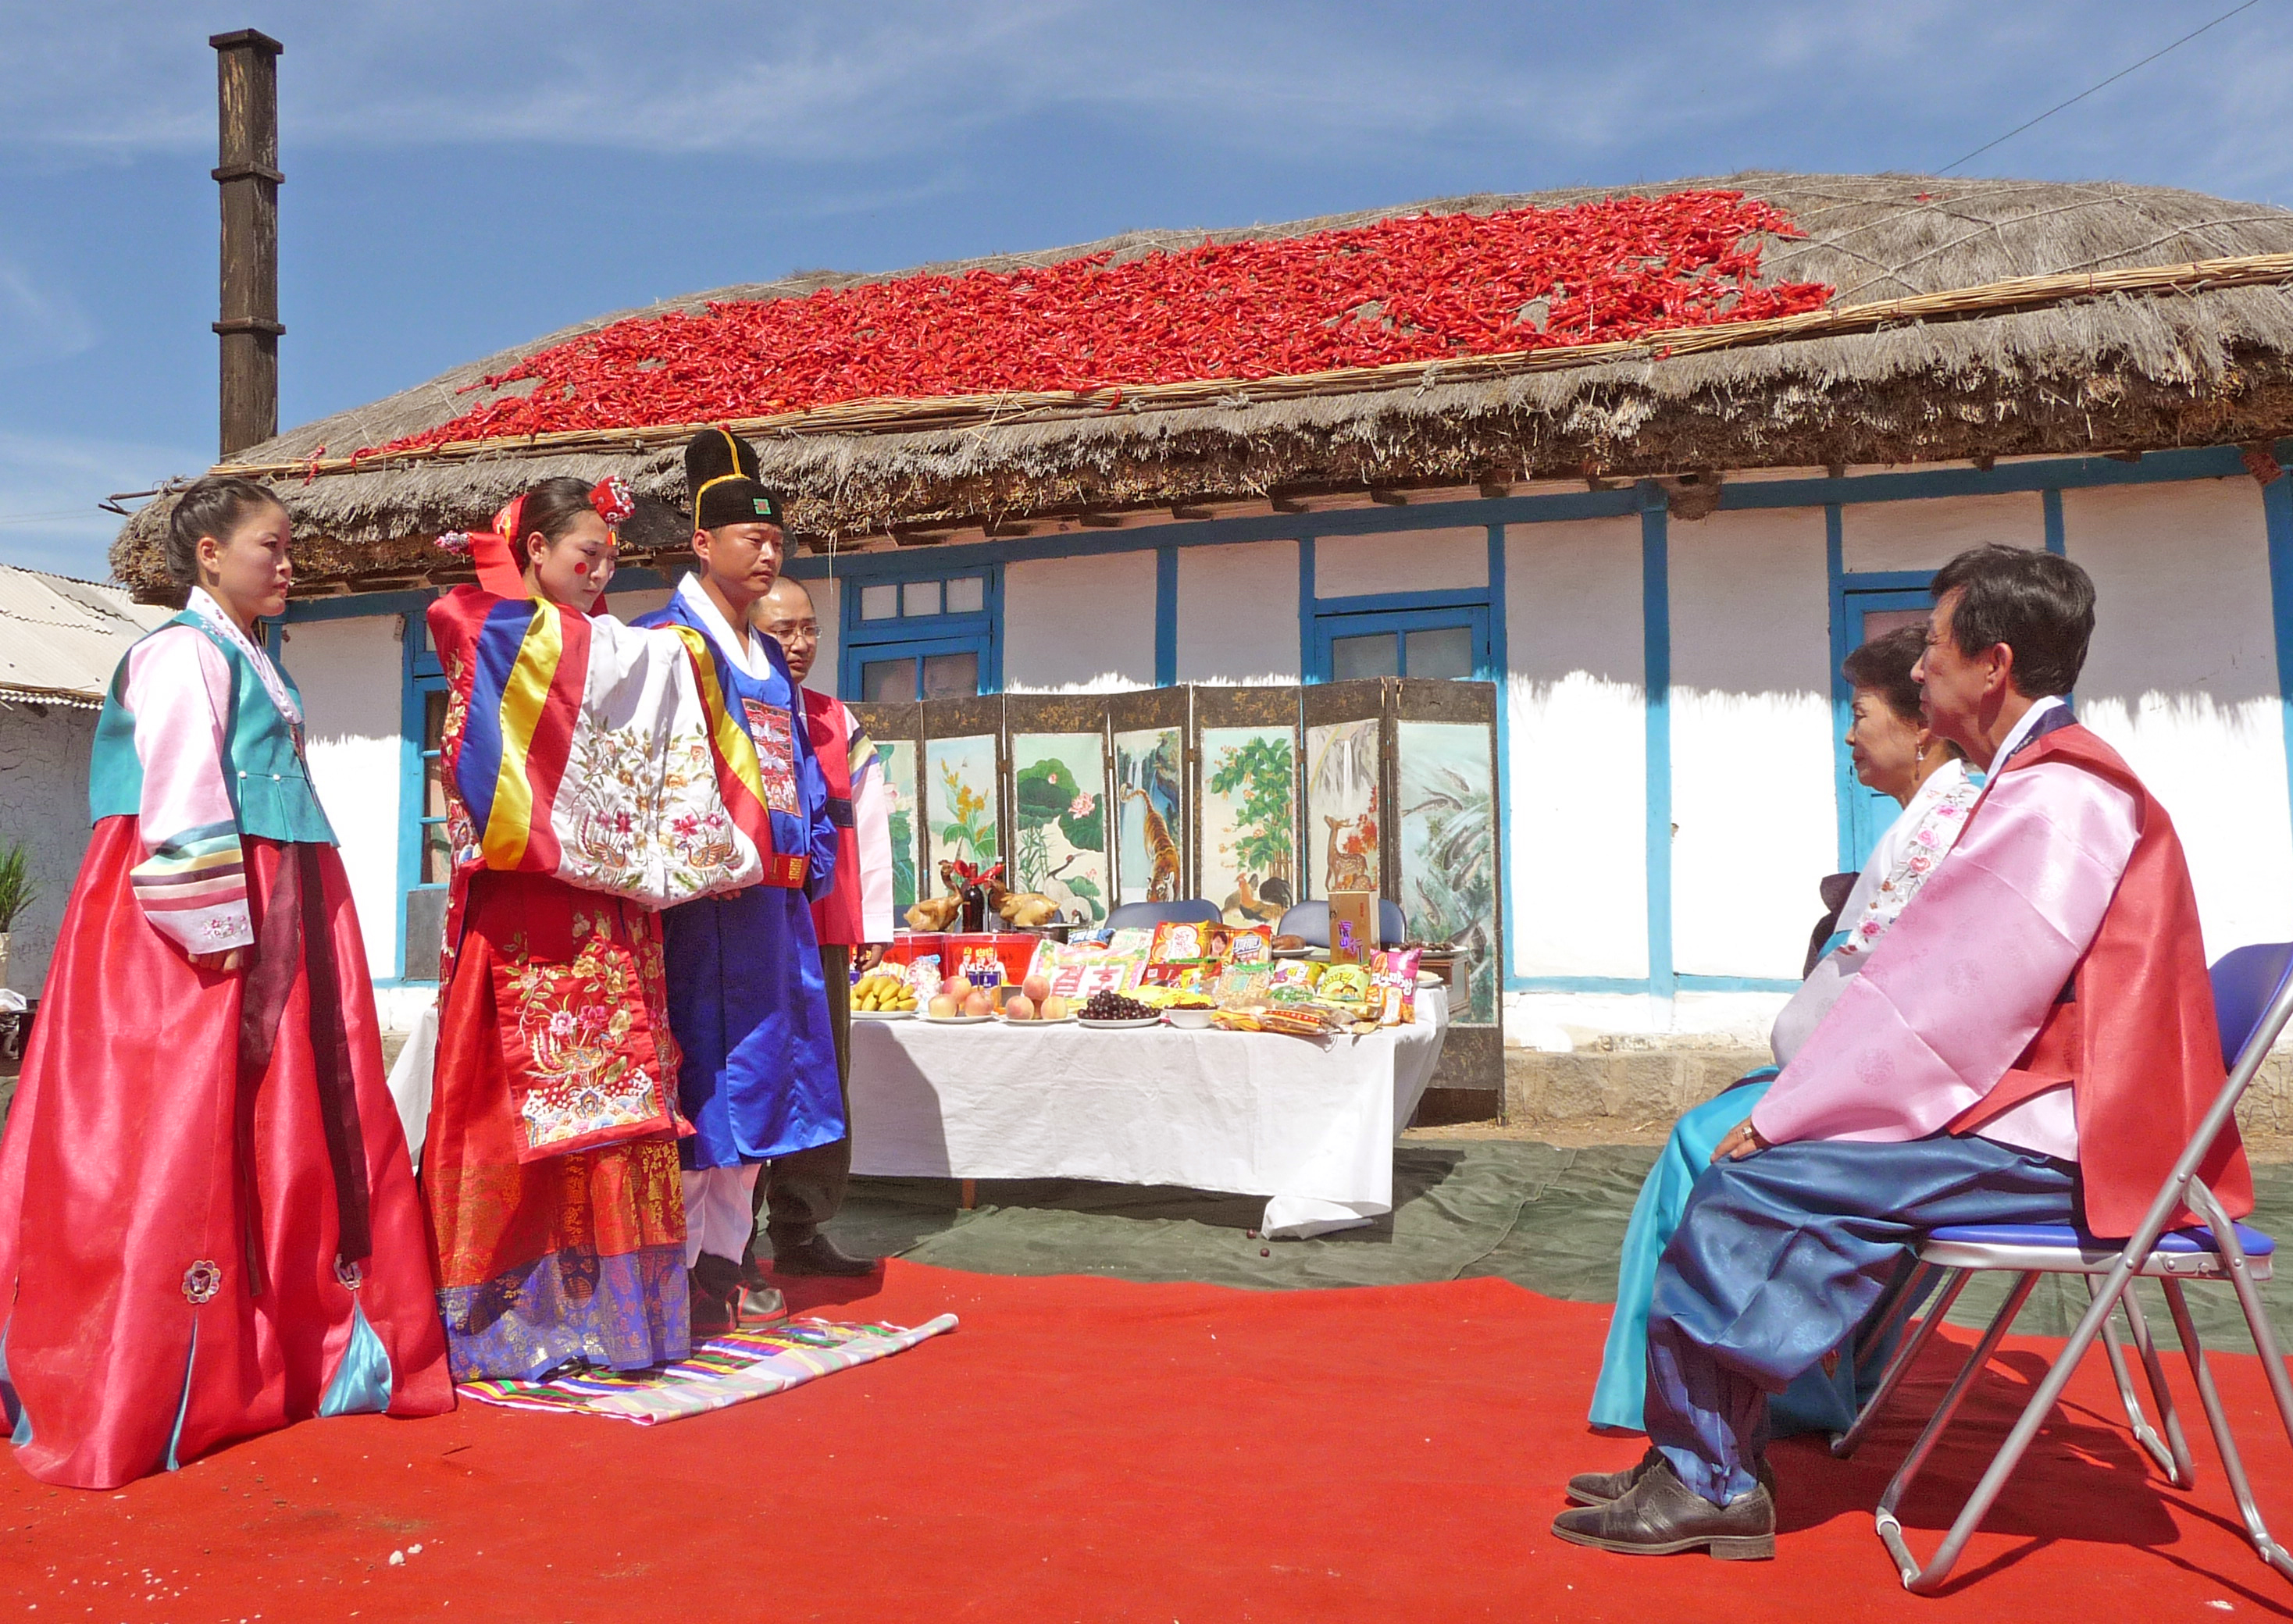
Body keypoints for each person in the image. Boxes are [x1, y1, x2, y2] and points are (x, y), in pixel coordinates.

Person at [1553, 543, 2253, 1560]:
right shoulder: (2037, 786)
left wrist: (1791, 1112)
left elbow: (1948, 1010)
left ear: (1993, 665)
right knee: (1766, 1169)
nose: (1918, 672)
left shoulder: (2061, 800)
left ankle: (1709, 1473)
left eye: (1933, 648)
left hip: (2067, 1132)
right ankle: (1704, 1455)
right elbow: (1938, 994)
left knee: (1752, 1181)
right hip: (2041, 1105)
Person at [0, 475, 452, 1488]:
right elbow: (181, 797)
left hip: (277, 901)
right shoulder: (176, 656)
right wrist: (219, 938)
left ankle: (282, 1347)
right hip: (202, 916)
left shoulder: (244, 657)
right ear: (208, 555)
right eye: (270, 547)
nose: (287, 564)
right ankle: (157, 1371)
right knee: (180, 1123)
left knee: (278, 1124)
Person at [420, 474, 789, 1380]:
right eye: (584, 557)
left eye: (611, 562)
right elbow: (492, 657)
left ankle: (615, 1318)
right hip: (523, 913)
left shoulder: (615, 649)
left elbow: (648, 677)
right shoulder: (489, 627)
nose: (597, 576)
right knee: (520, 1107)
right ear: (533, 551)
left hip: (606, 909)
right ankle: (506, 1316)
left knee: (619, 1107)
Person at [1586, 624, 1977, 1435]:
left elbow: (1904, 1002)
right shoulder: (1921, 820)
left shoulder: (1943, 825)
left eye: (1860, 710)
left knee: (1703, 1143)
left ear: (1918, 725)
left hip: (1875, 1098)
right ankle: (1758, 1385)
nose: (1848, 730)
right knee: (1700, 1135)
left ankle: (1718, 1397)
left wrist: (1798, 1099)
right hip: (1842, 1081)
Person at [632, 431, 845, 1328]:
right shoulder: (661, 644)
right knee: (702, 1093)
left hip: (775, 910)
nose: (768, 554)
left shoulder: (768, 661)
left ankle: (723, 1263)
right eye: (750, 541)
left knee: (765, 1088)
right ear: (700, 544)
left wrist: (810, 861)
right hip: (700, 912)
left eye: (778, 542)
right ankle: (672, 1273)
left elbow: (801, 774)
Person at [753, 572, 897, 1280]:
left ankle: (801, 1227)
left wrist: (872, 923)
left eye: (810, 628)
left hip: (823, 925)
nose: (802, 643)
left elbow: (869, 827)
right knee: (745, 1070)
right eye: (785, 630)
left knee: (821, 1077)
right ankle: (721, 1240)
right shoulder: (726, 712)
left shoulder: (837, 722)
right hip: (743, 922)